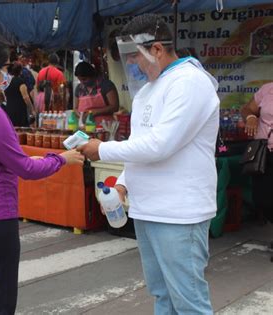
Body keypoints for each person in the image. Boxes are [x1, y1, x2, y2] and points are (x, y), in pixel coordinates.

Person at [77, 14, 219, 314]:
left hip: (179, 213)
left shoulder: (190, 82)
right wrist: (125, 182)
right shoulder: (148, 91)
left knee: (188, 302)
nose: (131, 66)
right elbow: (141, 144)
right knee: (162, 295)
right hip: (147, 209)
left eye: (133, 57)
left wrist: (102, 149)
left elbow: (161, 145)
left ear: (156, 49)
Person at [0, 38, 84, 315]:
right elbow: (26, 169)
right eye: (5, 68)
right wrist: (62, 159)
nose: (8, 75)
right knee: (0, 298)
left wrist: (29, 160)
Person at [241, 81, 273, 223]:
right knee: (261, 199)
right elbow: (247, 109)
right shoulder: (267, 89)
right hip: (265, 153)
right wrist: (251, 117)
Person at [4, 62, 35, 127]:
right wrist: (32, 110)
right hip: (20, 111)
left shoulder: (6, 82)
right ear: (20, 71)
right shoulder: (20, 82)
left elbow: (3, 95)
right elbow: (26, 97)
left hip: (9, 110)